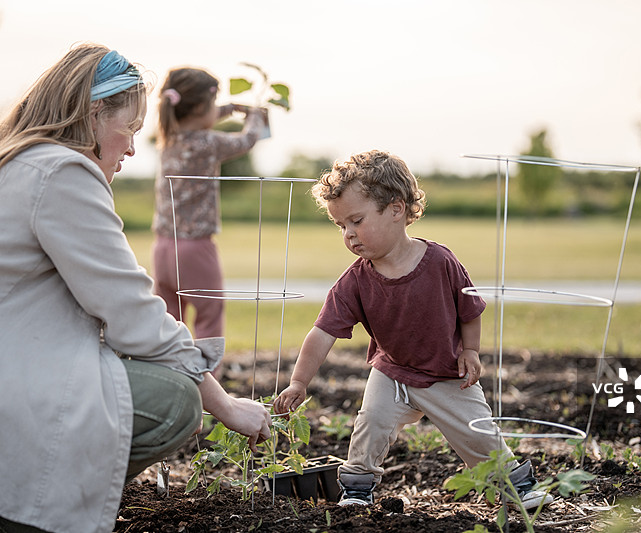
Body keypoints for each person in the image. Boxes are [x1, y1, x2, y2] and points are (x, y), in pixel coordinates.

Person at [0, 44, 271, 533]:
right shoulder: (63, 174)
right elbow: (134, 318)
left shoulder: (20, 163)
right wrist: (227, 406)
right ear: (92, 113)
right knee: (175, 401)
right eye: (127, 129)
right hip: (18, 383)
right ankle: (39, 508)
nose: (130, 147)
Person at [273, 150, 553, 510]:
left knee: (477, 433)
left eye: (356, 220)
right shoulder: (355, 281)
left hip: (446, 374)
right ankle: (358, 489)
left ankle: (517, 487)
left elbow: (470, 309)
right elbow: (322, 332)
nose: (349, 234)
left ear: (396, 208)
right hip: (391, 374)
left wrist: (470, 351)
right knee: (370, 424)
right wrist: (299, 382)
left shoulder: (440, 262)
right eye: (341, 226)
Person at [151, 67, 270, 367]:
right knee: (209, 318)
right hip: (195, 249)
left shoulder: (169, 135)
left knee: (169, 321)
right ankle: (208, 393)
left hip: (163, 246)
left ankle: (170, 378)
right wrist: (255, 116)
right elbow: (247, 140)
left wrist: (228, 109)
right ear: (202, 107)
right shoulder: (208, 143)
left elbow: (200, 120)